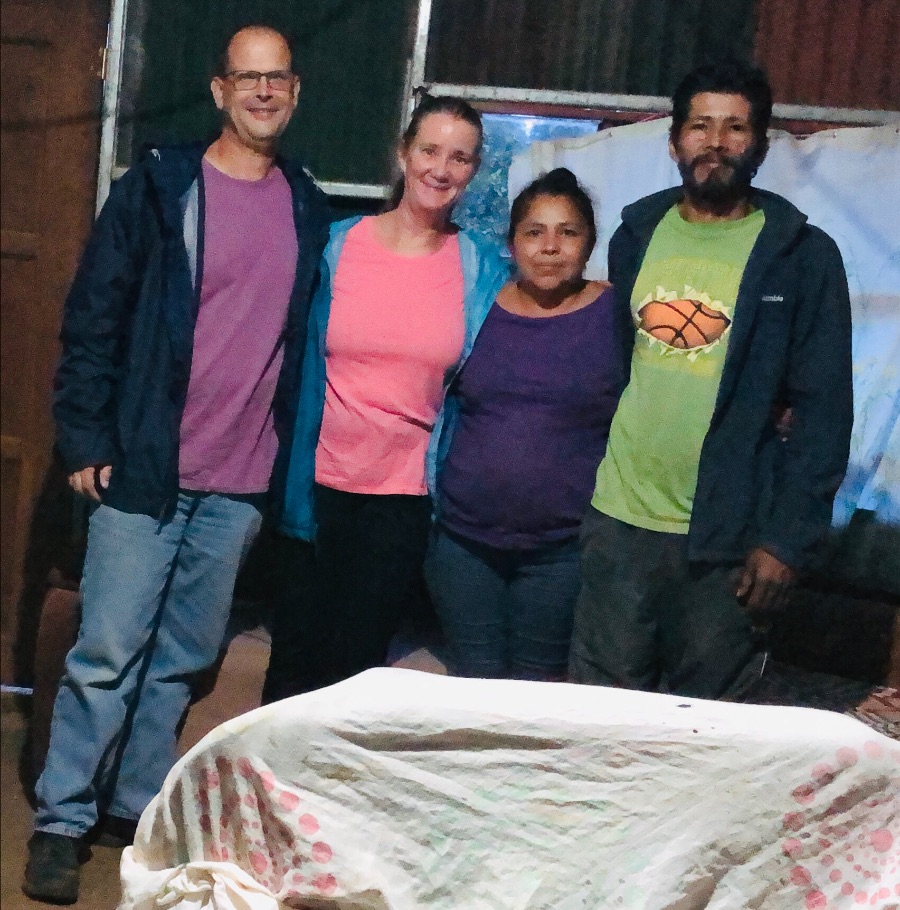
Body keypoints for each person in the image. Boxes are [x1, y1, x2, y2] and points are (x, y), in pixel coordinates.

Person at [24, 25, 329, 904]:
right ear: (219, 90)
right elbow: (94, 317)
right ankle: (61, 821)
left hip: (239, 481)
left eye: (278, 78)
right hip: (145, 471)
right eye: (249, 78)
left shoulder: (306, 206)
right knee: (107, 652)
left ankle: (129, 808)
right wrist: (86, 438)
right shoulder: (160, 188)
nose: (264, 93)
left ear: (295, 91)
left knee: (181, 659)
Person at [569, 59, 853, 700]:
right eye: (700, 126)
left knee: (705, 728)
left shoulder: (802, 257)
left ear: (760, 142)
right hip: (619, 525)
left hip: (727, 539)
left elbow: (825, 413)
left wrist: (784, 541)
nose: (715, 142)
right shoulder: (636, 236)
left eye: (734, 128)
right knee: (598, 716)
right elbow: (621, 369)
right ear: (674, 141)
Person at [262, 94, 508, 702]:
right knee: (294, 658)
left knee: (354, 669)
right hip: (314, 485)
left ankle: (333, 796)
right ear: (402, 154)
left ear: (475, 171)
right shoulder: (334, 245)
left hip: (403, 499)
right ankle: (268, 796)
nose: (441, 169)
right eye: (429, 150)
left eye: (460, 157)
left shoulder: (482, 266)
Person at [424, 168, 628, 680]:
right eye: (534, 232)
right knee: (473, 685)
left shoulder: (616, 315)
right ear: (512, 244)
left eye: (569, 232)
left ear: (589, 243)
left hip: (561, 550)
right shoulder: (475, 307)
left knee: (535, 693)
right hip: (463, 543)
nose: (551, 247)